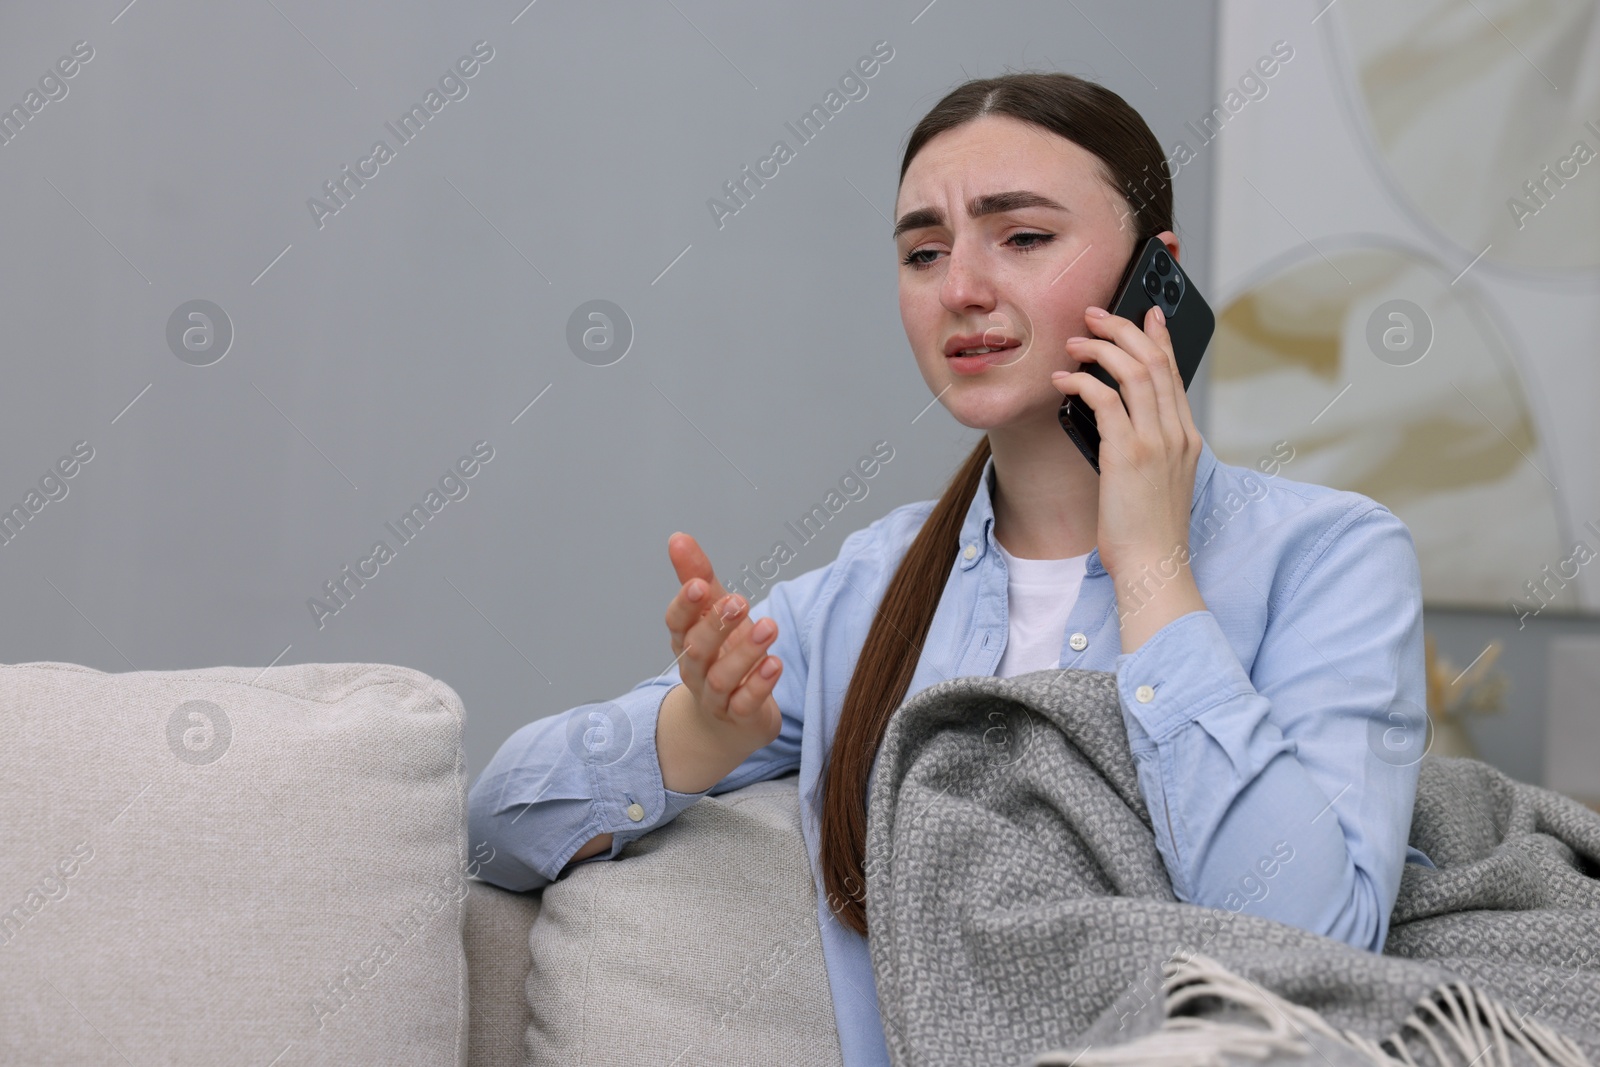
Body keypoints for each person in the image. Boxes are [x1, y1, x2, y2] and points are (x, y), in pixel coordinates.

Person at [468, 71, 1431, 1067]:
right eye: (924, 251)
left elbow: (1310, 947)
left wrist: (1148, 566)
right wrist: (697, 734)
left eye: (1021, 237)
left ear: (1157, 280)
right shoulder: (864, 595)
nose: (962, 288)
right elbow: (499, 827)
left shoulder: (1327, 558)